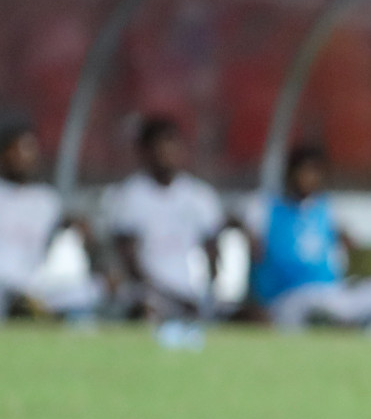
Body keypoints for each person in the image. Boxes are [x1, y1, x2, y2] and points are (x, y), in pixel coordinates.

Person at [241, 146, 371, 330]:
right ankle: (343, 323)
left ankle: (344, 321)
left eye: (316, 172)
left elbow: (350, 244)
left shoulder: (326, 209)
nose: (312, 178)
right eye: (306, 171)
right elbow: (253, 255)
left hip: (330, 292)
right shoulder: (264, 207)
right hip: (286, 297)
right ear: (291, 172)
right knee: (313, 305)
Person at [105, 116, 225, 320]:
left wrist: (208, 294)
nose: (167, 156)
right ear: (144, 152)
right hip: (146, 295)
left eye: (172, 148)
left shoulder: (200, 196)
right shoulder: (128, 197)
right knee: (146, 312)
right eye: (160, 150)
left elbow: (213, 252)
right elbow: (130, 264)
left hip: (191, 294)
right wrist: (172, 298)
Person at [0, 123, 104, 320]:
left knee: (84, 291)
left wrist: (80, 228)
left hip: (33, 280)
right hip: (2, 279)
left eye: (31, 150)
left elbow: (65, 228)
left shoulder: (46, 199)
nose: (26, 157)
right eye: (19, 150)